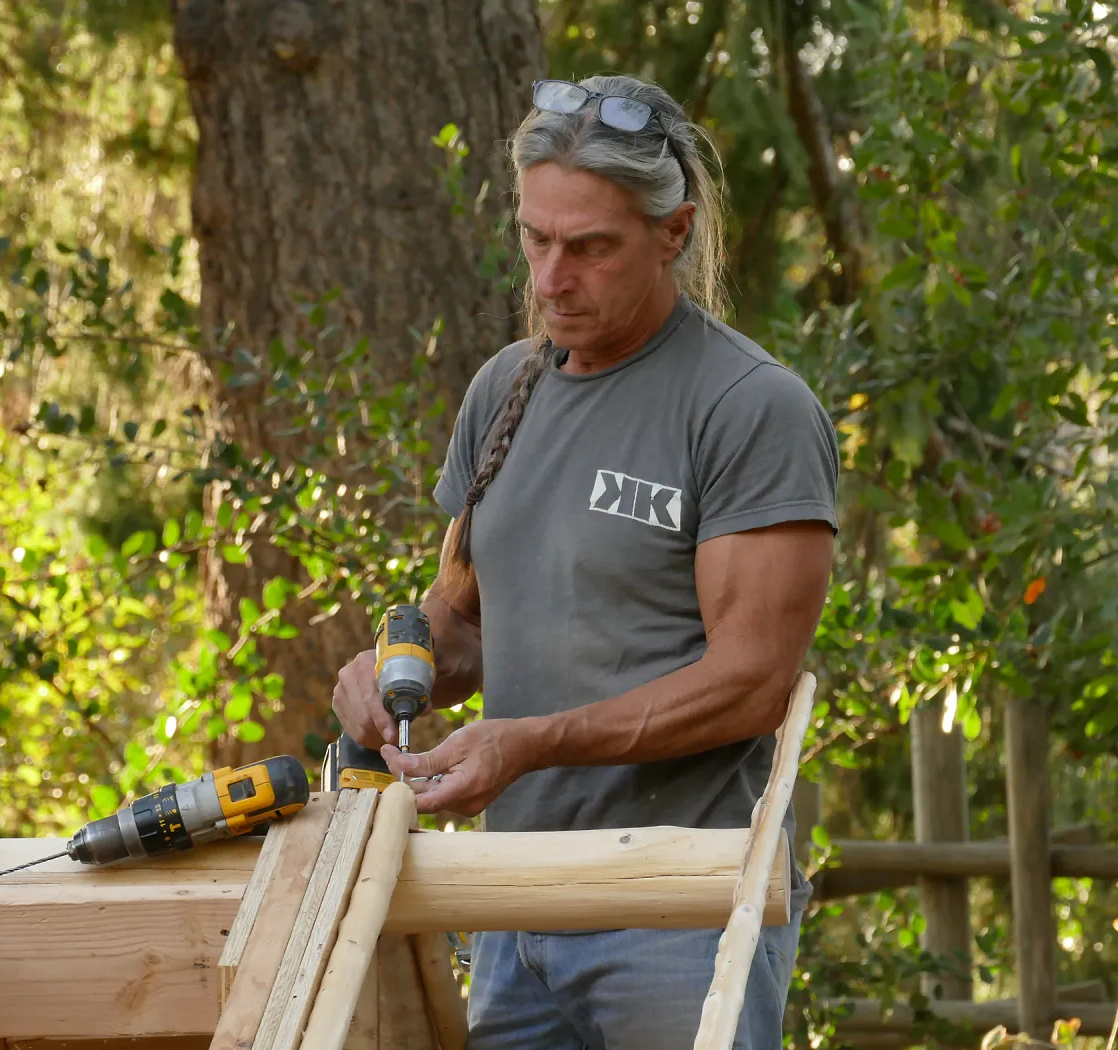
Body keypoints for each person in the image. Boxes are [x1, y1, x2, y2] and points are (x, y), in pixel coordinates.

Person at [332, 73, 838, 1050]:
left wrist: (525, 742)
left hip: (678, 907)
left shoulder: (747, 409)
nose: (550, 279)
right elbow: (471, 612)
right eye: (534, 239)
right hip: (512, 906)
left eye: (588, 248)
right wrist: (398, 671)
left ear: (672, 232)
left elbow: (748, 686)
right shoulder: (504, 391)